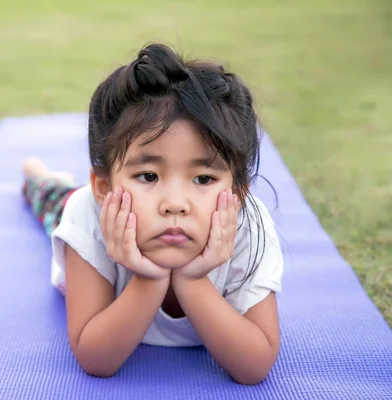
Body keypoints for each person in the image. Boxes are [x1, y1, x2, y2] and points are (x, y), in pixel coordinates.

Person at [21, 43, 284, 385]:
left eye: (203, 178)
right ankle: (39, 177)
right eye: (148, 176)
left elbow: (255, 366)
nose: (175, 203)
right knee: (52, 200)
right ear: (103, 187)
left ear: (237, 193)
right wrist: (150, 278)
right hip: (75, 208)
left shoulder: (248, 226)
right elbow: (95, 359)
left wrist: (192, 280)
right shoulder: (87, 215)